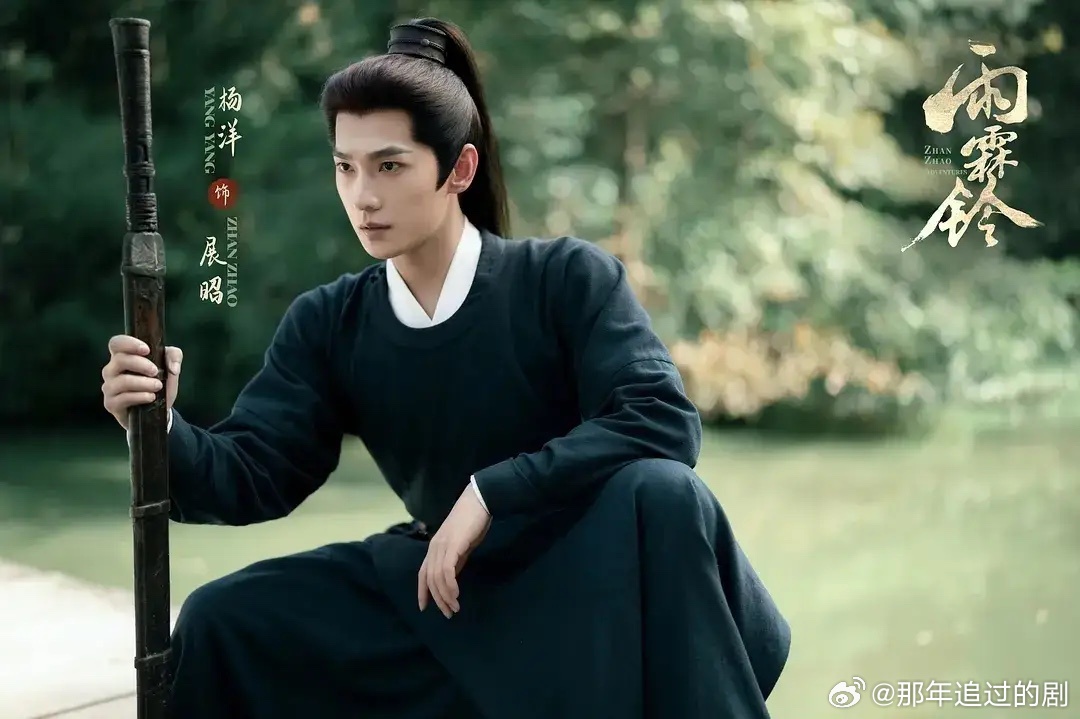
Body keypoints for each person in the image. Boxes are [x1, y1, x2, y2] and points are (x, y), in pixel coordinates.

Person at [100, 17, 790, 719]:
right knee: (223, 618)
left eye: (389, 166)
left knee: (664, 490)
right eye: (345, 167)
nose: (363, 196)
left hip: (583, 577)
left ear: (458, 169)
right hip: (447, 589)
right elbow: (252, 473)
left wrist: (490, 493)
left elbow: (661, 419)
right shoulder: (330, 321)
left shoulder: (565, 278)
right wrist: (156, 422)